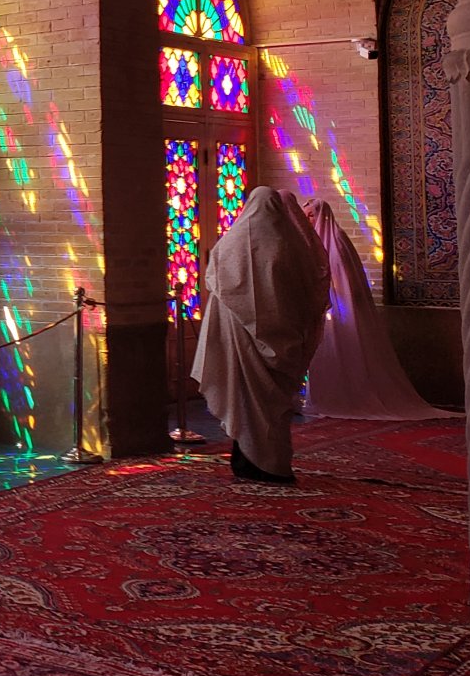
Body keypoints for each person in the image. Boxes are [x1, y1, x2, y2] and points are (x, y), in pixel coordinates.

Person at [192, 185, 330, 483]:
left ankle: (248, 461)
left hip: (241, 346)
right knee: (272, 408)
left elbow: (216, 288)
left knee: (246, 403)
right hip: (284, 344)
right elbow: (312, 291)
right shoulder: (294, 247)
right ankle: (274, 463)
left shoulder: (230, 246)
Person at [303, 197, 454, 420]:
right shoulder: (312, 243)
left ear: (323, 216)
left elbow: (343, 280)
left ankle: (344, 398)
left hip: (340, 313)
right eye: (305, 216)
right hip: (323, 313)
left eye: (311, 215)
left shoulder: (337, 241)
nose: (308, 220)